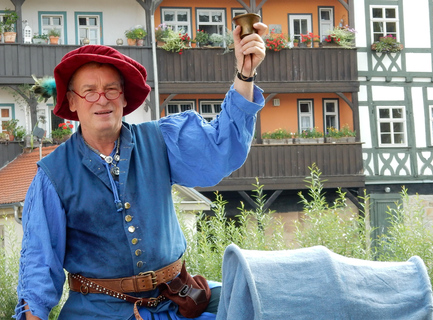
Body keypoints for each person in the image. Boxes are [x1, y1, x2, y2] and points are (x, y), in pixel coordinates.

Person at [15, 21, 267, 320]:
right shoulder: (53, 174)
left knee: (259, 300)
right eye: (89, 92)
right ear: (72, 101)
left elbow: (221, 152)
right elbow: (39, 266)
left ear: (124, 97)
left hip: (176, 299)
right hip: (98, 312)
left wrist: (245, 72)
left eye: (111, 90)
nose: (102, 99)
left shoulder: (162, 140)